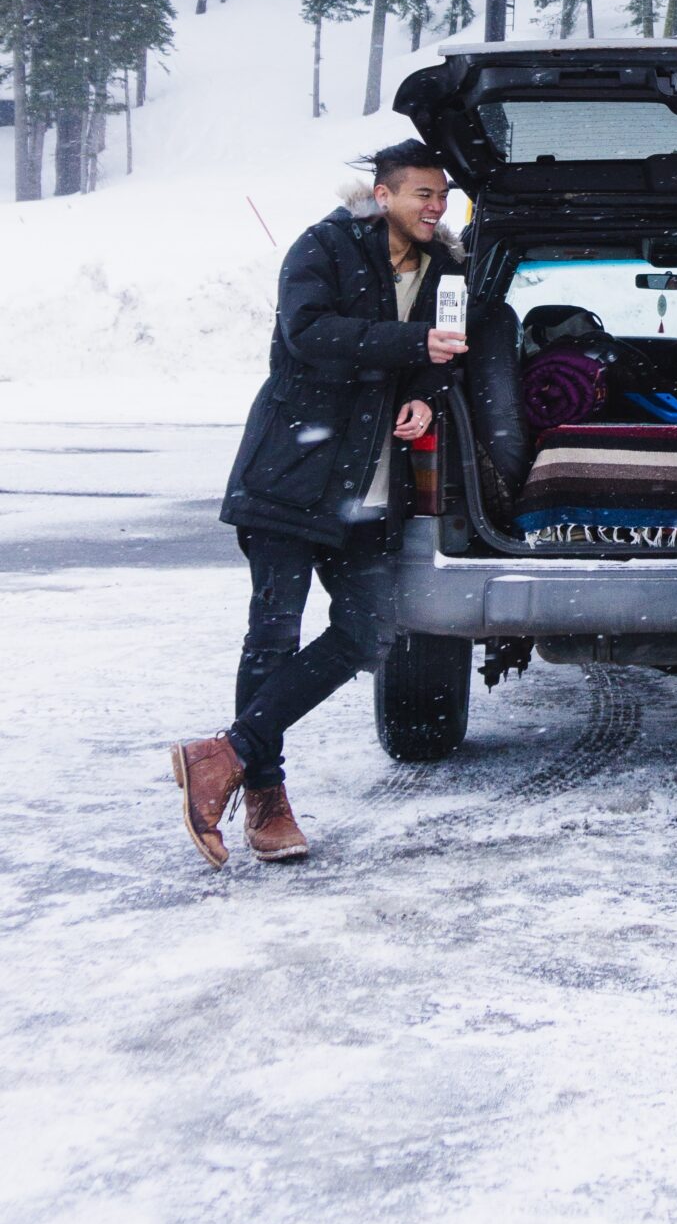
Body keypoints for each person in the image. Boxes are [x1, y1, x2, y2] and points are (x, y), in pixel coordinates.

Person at [169, 143, 468, 866]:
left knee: (368, 632)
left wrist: (425, 401)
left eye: (442, 196)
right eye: (423, 194)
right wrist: (412, 342)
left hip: (367, 490)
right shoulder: (324, 246)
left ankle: (226, 752)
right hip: (292, 470)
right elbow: (309, 336)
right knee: (272, 634)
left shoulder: (448, 270)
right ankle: (266, 794)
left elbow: (444, 359)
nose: (435, 207)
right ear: (383, 193)